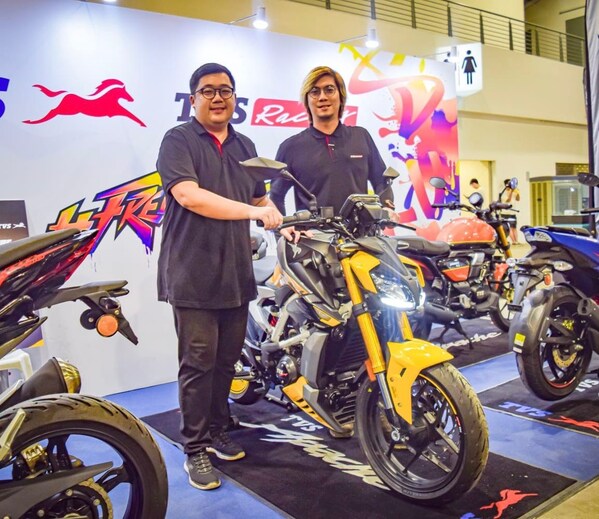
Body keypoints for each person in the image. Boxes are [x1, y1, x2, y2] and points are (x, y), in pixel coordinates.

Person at [156, 62, 283, 491]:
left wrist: (284, 223)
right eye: (208, 90)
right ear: (193, 99)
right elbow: (189, 196)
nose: (217, 97)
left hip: (234, 270)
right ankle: (194, 447)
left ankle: (216, 428)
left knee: (227, 361)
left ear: (234, 98)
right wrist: (254, 212)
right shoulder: (178, 140)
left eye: (225, 90)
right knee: (198, 363)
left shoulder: (245, 145)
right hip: (191, 272)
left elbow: (261, 199)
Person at [270, 65, 394, 225]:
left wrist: (387, 208)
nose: (322, 97)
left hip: (362, 236)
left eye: (329, 90)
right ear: (307, 100)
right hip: (313, 237)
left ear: (341, 96)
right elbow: (276, 195)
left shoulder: (361, 136)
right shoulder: (291, 147)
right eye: (315, 92)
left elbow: (381, 181)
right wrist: (284, 228)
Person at [502, 178, 521, 244]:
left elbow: (518, 199)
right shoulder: (503, 192)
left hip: (513, 212)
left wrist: (517, 193)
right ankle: (513, 241)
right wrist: (511, 192)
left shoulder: (514, 190)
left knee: (514, 227)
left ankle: (517, 241)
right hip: (505, 213)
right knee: (509, 228)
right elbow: (508, 200)